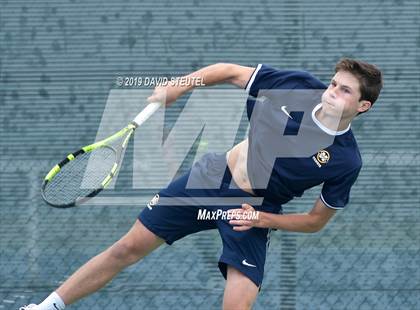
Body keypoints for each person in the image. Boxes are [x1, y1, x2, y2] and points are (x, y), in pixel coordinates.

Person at [20, 58, 383, 310]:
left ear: (363, 106)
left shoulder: (346, 160)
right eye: (334, 83)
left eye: (345, 91)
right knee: (125, 249)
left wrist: (262, 220)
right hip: (209, 179)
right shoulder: (296, 86)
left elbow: (316, 221)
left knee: (238, 303)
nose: (332, 91)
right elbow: (227, 72)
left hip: (253, 209)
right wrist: (178, 87)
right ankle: (48, 305)